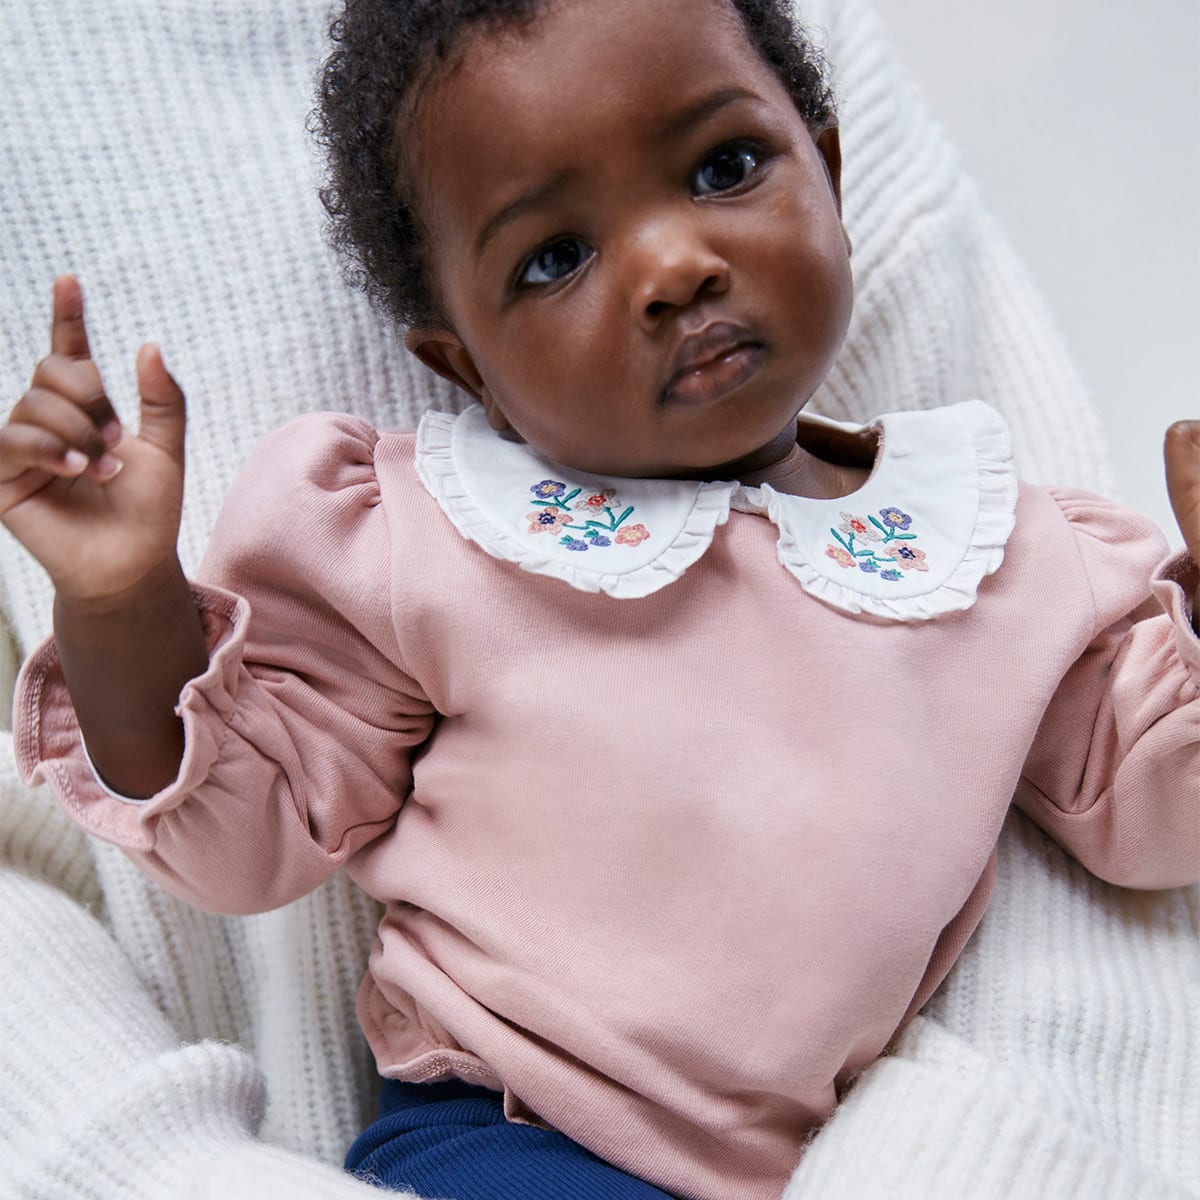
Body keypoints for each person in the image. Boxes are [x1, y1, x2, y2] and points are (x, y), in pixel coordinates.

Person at [2, 0, 1198, 1198]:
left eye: (725, 168)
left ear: (828, 175)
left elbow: (1154, 822)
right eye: (555, 258)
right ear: (470, 367)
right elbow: (245, 841)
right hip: (511, 1129)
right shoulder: (432, 538)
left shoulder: (1007, 546)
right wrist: (122, 606)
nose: (675, 268)